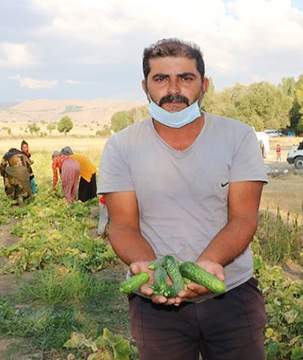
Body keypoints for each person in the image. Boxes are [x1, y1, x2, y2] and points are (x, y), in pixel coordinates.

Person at [98, 38, 268, 359]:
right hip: (154, 297)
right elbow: (122, 225)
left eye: (185, 78)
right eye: (161, 78)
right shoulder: (121, 146)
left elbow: (244, 217)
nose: (173, 89)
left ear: (203, 86)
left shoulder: (238, 136)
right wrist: (150, 271)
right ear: (145, 86)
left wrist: (207, 266)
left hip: (230, 292)